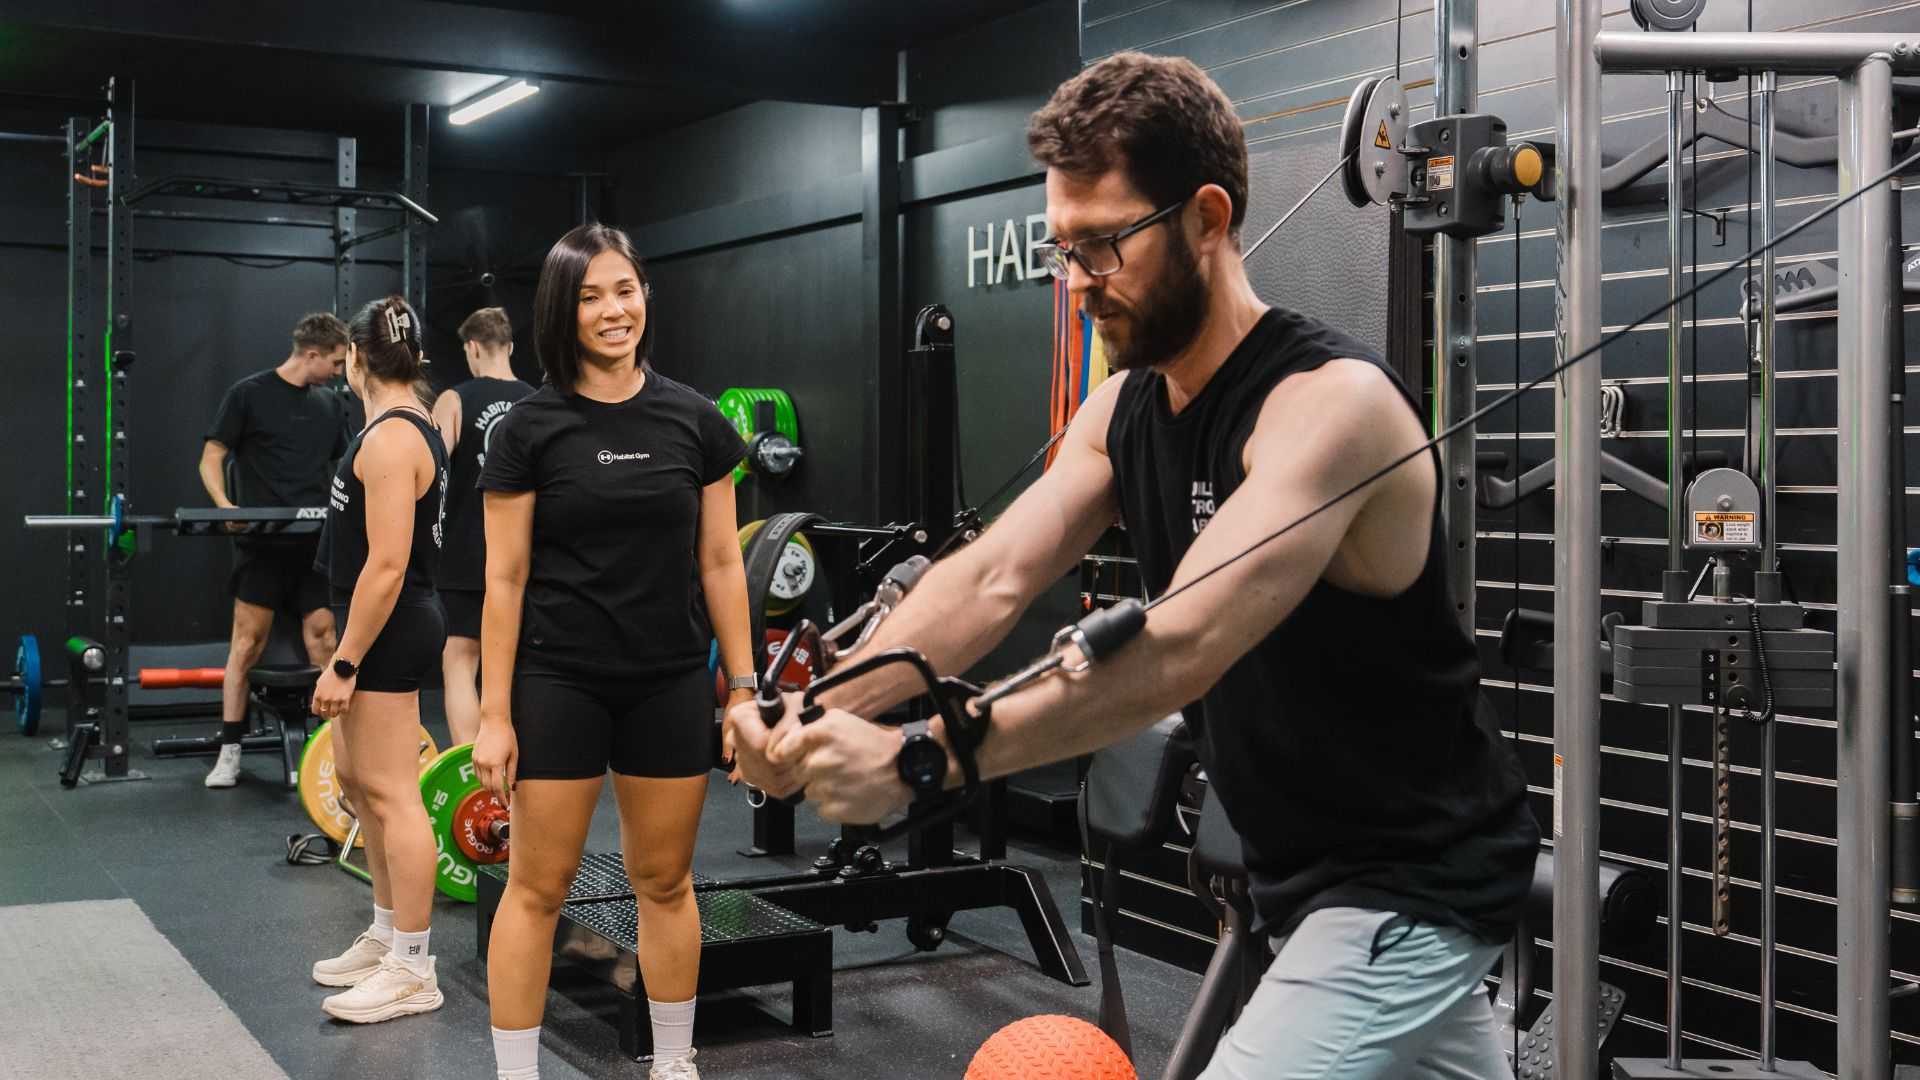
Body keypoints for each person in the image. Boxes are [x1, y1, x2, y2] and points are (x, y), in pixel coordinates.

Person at [728, 52, 1541, 1079]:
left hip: (1410, 887)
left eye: (1103, 245)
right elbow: (990, 580)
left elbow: (1179, 646)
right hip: (1321, 882)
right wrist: (819, 713)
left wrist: (921, 760)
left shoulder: (1331, 406)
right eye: (1062, 248)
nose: (1075, 283)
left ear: (1206, 218)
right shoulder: (1123, 409)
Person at [473, 224, 757, 1080]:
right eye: (592, 295)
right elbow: (506, 581)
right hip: (559, 679)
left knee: (665, 883)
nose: (614, 309)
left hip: (668, 678)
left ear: (645, 298)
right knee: (537, 887)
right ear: (565, 309)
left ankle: (675, 1063)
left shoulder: (695, 421)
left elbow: (720, 562)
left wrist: (741, 690)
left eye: (625, 290)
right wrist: (493, 713)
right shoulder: (528, 429)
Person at [307, 295, 450, 1025]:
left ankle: (414, 967)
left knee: (394, 796)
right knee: (362, 784)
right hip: (375, 629)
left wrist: (345, 662)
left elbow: (389, 565)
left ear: (356, 359)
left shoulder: (393, 439)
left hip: (388, 631)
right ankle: (388, 931)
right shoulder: (395, 428)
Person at [200, 313, 351, 788]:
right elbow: (211, 456)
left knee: (324, 640)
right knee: (245, 646)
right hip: (262, 545)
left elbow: (345, 467)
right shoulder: (248, 394)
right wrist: (225, 505)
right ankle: (229, 752)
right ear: (311, 354)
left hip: (312, 545)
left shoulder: (330, 405)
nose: (339, 371)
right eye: (335, 362)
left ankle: (335, 754)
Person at [433, 307, 534, 747]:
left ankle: (470, 775)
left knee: (460, 660)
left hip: (465, 550)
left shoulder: (454, 400)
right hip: (527, 553)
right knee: (518, 662)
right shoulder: (538, 402)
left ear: (472, 348)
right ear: (510, 347)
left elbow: (430, 471)